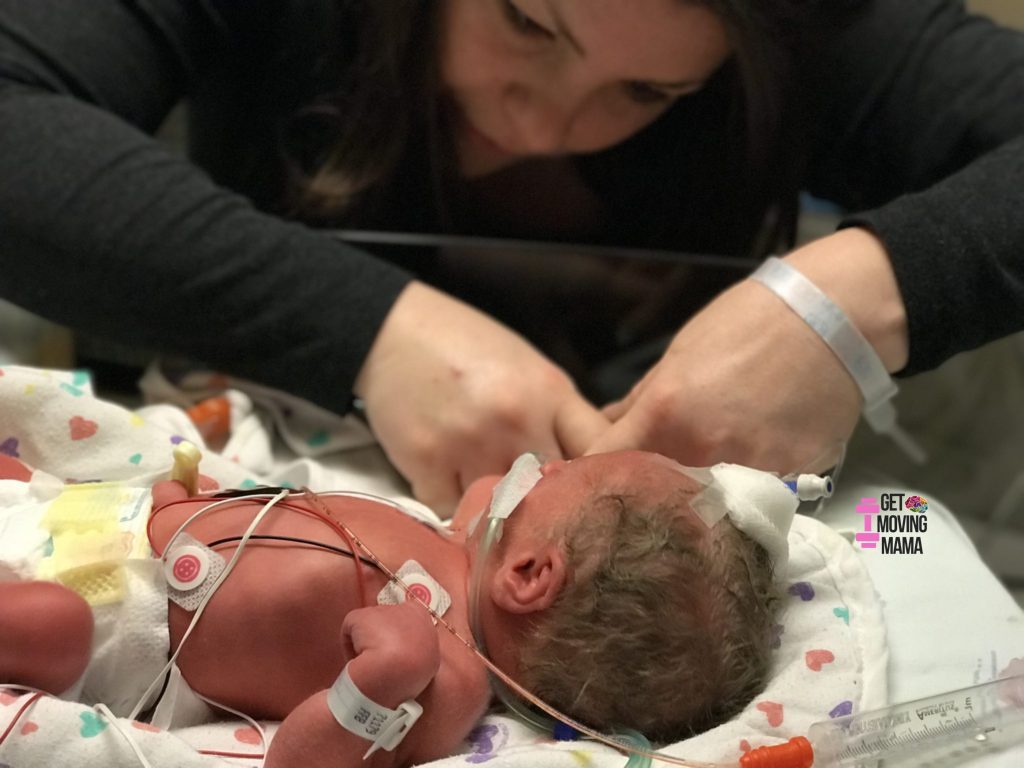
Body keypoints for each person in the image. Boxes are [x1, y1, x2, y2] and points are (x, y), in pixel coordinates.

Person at [1, 1, 1022, 512]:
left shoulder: (824, 28)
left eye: (648, 94)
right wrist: (370, 334)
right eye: (529, 23)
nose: (544, 124)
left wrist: (843, 310)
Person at [0, 451, 779, 766]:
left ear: (533, 574)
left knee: (48, 625)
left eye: (558, 473)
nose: (537, 466)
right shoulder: (468, 539)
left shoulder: (442, 677)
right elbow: (482, 491)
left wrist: (371, 685)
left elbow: (299, 763)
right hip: (103, 521)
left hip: (121, 625)